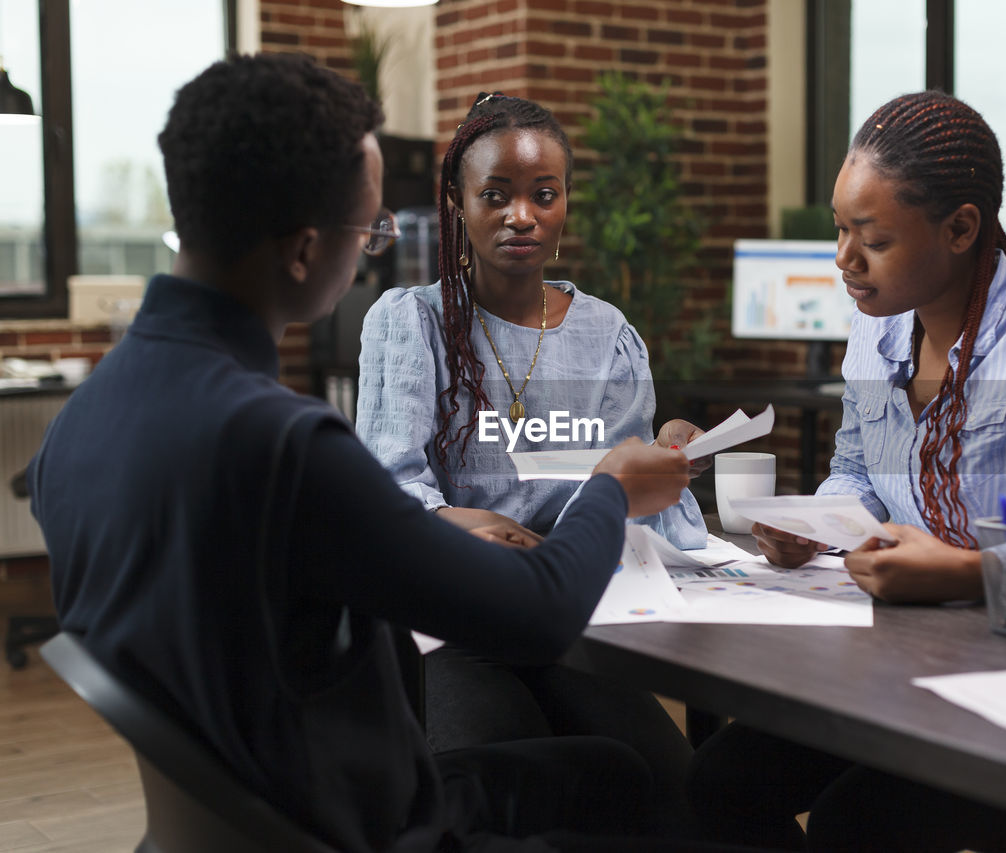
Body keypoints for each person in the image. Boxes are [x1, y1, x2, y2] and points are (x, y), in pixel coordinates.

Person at [27, 53, 739, 853]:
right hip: (362, 826)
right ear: (303, 250)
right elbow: (535, 612)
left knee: (612, 769)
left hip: (243, 810)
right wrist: (610, 483)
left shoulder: (80, 423)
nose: (374, 248)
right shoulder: (286, 449)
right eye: (369, 228)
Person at [687, 91, 1006, 851]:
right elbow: (856, 470)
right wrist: (812, 527)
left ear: (961, 228)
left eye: (873, 238)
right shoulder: (877, 326)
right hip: (903, 656)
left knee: (855, 823)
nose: (843, 259)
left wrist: (961, 571)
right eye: (839, 230)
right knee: (713, 787)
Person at [356, 92, 705, 834]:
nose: (522, 216)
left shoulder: (608, 334)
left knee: (672, 790)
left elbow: (619, 493)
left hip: (573, 611)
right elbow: (387, 489)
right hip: (457, 617)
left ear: (565, 203)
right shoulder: (409, 322)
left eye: (544, 196)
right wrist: (457, 524)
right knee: (506, 795)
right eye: (496, 195)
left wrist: (663, 461)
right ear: (456, 203)